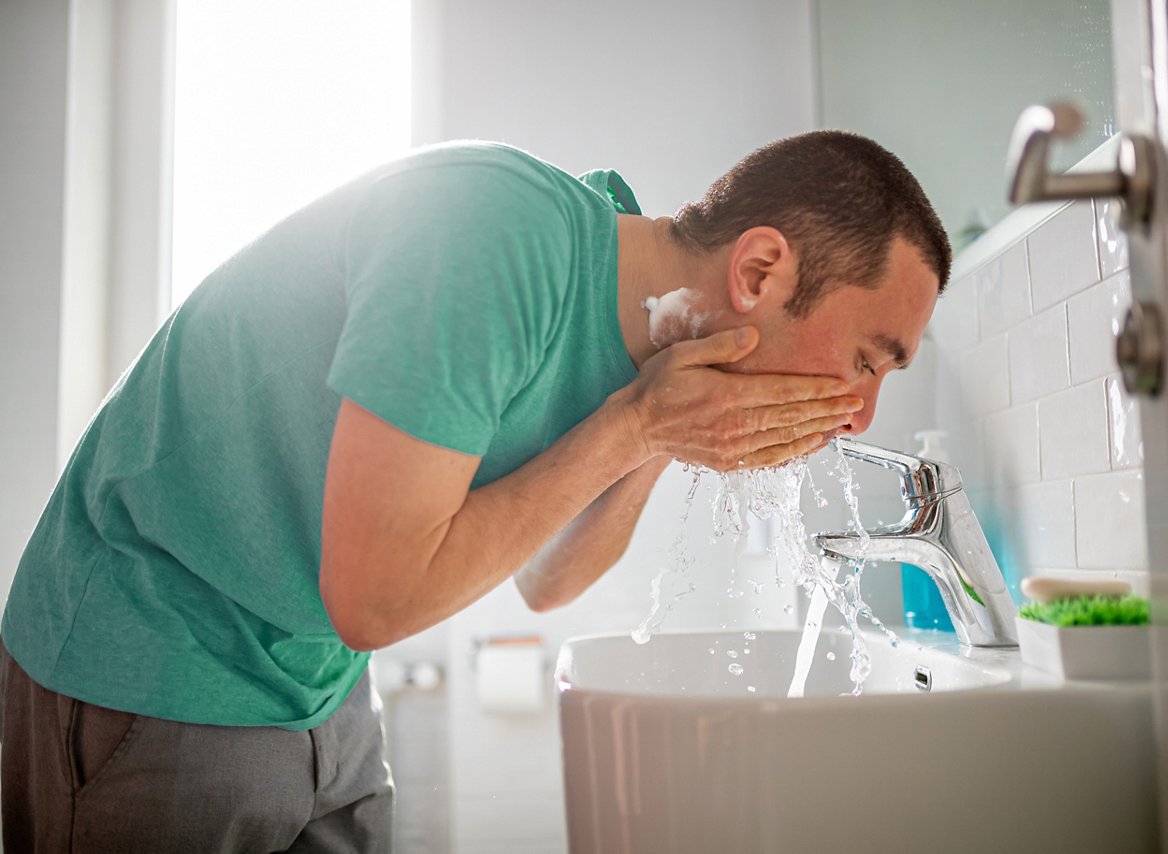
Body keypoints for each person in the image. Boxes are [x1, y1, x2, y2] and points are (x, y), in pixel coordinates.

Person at [0, 130, 949, 851]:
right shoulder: (492, 241)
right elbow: (375, 599)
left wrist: (670, 427)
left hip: (318, 686)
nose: (861, 412)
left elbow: (547, 580)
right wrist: (642, 423)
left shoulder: (641, 328)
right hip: (156, 655)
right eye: (869, 359)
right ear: (758, 270)